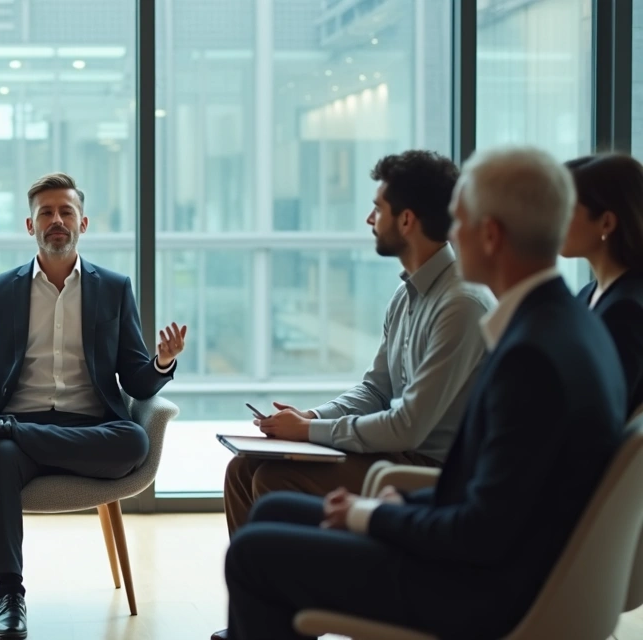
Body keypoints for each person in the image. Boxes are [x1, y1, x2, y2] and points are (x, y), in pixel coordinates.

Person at [222, 146, 625, 639]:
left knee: (254, 553)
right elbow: (495, 490)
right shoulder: (562, 326)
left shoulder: (529, 358)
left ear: (490, 235)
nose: (451, 236)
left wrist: (373, 514)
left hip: (482, 591)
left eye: (458, 222)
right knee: (272, 510)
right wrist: (397, 505)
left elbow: (479, 531)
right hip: (488, 559)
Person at [0, 172, 187, 640]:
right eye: (46, 213)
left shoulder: (114, 289)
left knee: (134, 440)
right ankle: (10, 596)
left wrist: (161, 361)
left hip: (90, 427)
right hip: (18, 418)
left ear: (83, 222)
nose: (56, 220)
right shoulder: (0, 290)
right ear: (30, 225)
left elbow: (136, 378)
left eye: (65, 212)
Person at [221, 151, 495, 539]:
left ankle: (306, 587)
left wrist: (308, 433)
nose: (370, 220)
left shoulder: (461, 304)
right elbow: (376, 389)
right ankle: (260, 590)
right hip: (397, 453)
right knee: (241, 470)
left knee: (275, 479)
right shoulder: (407, 296)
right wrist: (312, 419)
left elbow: (408, 428)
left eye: (377, 208)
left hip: (430, 471)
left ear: (406, 219)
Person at [561, 153, 643, 416]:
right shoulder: (588, 293)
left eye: (565, 208)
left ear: (606, 222)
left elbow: (602, 415)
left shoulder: (627, 310)